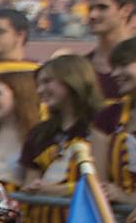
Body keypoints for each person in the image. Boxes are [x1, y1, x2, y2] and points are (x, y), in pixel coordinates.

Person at [92, 34, 136, 205]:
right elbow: (99, 182)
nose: (115, 73)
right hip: (118, 219)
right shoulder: (107, 117)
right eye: (113, 67)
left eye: (124, 65)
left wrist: (131, 199)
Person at [20, 52, 104, 193]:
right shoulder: (39, 133)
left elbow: (103, 184)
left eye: (47, 82)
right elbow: (30, 181)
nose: (40, 90)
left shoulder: (102, 125)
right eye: (38, 84)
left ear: (72, 79)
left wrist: (57, 191)